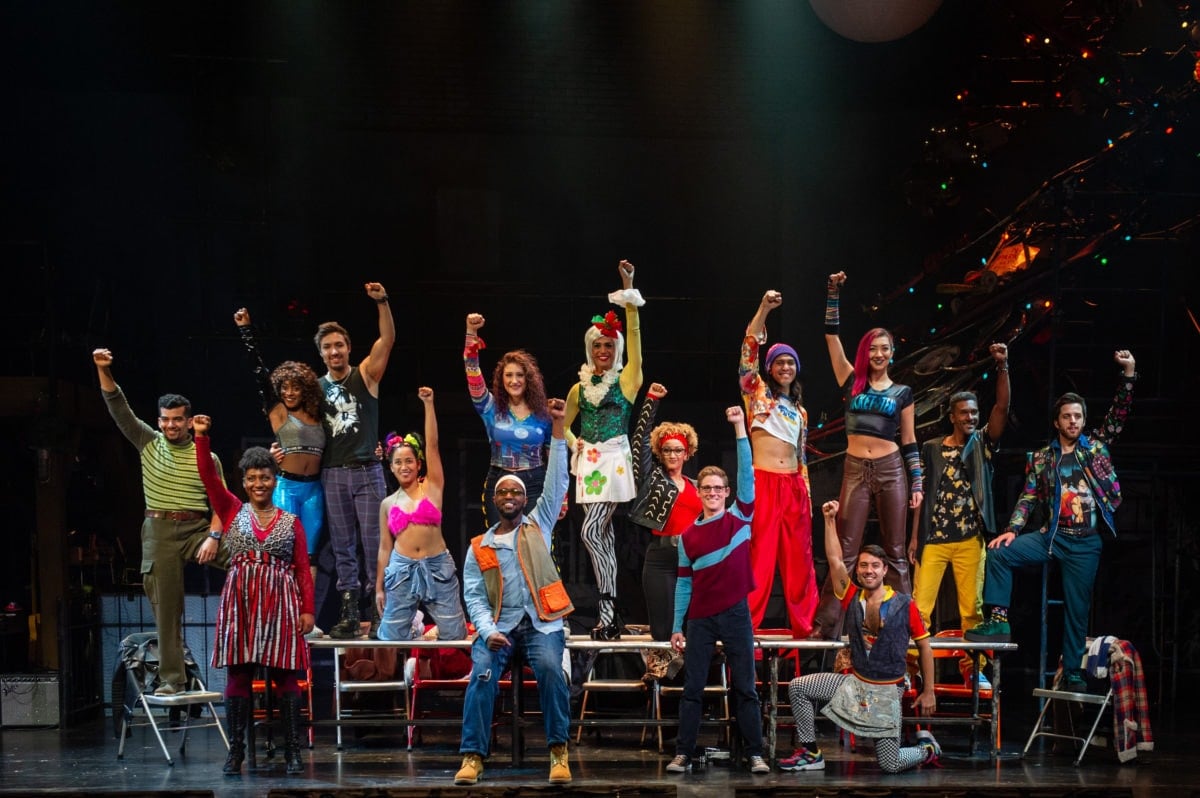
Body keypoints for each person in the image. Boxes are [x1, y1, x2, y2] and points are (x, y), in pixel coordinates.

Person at [966, 350, 1137, 693]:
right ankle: (999, 621)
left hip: (1085, 542)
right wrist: (1013, 530)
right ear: (1057, 422)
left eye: (1078, 416)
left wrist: (1129, 374)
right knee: (999, 553)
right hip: (1053, 537)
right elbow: (1028, 496)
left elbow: (1118, 414)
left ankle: (1073, 670)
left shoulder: (1095, 448)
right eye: (1067, 417)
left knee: (1077, 608)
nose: (1073, 421)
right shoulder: (1043, 458)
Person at [454, 396, 574, 787]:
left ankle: (559, 752)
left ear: (525, 499)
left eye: (516, 493)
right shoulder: (480, 546)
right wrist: (487, 630)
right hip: (500, 628)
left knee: (552, 671)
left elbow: (556, 481)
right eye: (503, 492)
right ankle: (473, 756)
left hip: (541, 624)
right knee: (481, 675)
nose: (509, 497)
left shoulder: (539, 524)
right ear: (494, 499)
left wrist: (558, 428)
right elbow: (474, 597)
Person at [92, 348, 226, 697]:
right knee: (166, 610)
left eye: (177, 419)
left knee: (248, 556)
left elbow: (222, 504)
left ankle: (285, 620)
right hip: (159, 531)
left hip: (197, 529)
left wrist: (213, 536)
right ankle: (172, 679)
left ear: (189, 420)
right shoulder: (148, 442)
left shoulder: (206, 455)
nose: (170, 425)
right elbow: (119, 409)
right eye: (165, 419)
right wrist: (104, 369)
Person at [191, 415, 315, 775]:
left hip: (281, 602)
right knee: (239, 676)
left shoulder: (291, 522)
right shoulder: (231, 509)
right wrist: (201, 437)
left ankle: (293, 752)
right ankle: (236, 752)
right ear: (244, 482)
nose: (258, 483)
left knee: (286, 677)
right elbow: (208, 477)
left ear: (274, 480)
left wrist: (307, 610)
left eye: (265, 477)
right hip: (241, 602)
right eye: (252, 478)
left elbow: (302, 569)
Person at [779, 500, 940, 774]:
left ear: (885, 570)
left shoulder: (905, 605)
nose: (868, 570)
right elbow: (835, 560)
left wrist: (929, 691)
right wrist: (829, 520)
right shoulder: (852, 596)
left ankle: (927, 749)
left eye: (875, 565)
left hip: (886, 691)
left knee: (890, 764)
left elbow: (925, 647)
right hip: (854, 684)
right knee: (799, 687)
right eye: (864, 565)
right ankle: (811, 752)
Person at [813, 270, 922, 638]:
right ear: (866, 352)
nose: (879, 354)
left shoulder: (903, 392)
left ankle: (904, 624)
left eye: (885, 348)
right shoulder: (851, 381)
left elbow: (909, 440)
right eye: (873, 348)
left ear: (892, 353)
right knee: (846, 550)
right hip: (856, 468)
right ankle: (827, 625)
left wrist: (917, 482)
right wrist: (833, 293)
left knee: (895, 551)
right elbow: (831, 336)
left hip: (891, 469)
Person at [665, 405, 771, 775]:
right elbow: (683, 583)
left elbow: (747, 473)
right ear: (699, 492)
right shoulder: (687, 537)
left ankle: (755, 753)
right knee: (693, 688)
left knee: (745, 688)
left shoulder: (740, 518)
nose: (712, 492)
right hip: (701, 619)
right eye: (706, 488)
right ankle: (683, 753)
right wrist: (676, 626)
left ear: (727, 492)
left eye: (718, 488)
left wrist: (740, 427)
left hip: (736, 613)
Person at [908, 343, 1010, 689]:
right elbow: (920, 495)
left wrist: (1002, 367)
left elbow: (1002, 406)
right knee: (920, 608)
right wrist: (914, 537)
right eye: (964, 413)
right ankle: (911, 668)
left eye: (974, 412)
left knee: (972, 611)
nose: (970, 417)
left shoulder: (982, 443)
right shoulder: (932, 448)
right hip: (934, 539)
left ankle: (972, 668)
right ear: (952, 416)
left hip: (969, 539)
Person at [563, 259, 644, 640]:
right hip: (589, 463)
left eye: (609, 345)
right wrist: (572, 440)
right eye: (597, 345)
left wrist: (628, 291)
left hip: (614, 460)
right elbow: (565, 425)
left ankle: (608, 607)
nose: (603, 350)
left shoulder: (627, 381)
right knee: (603, 538)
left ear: (617, 348)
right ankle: (609, 617)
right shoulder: (579, 388)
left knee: (591, 532)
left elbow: (637, 348)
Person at [317, 282, 395, 640]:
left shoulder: (364, 375)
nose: (334, 351)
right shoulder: (315, 387)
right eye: (327, 347)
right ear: (321, 353)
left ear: (348, 348)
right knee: (342, 545)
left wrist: (382, 302)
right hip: (333, 473)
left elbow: (387, 340)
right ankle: (349, 612)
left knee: (376, 542)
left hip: (368, 471)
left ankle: (379, 609)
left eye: (339, 345)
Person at [739, 289, 819, 637]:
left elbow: (802, 458)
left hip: (794, 485)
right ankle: (747, 626)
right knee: (759, 557)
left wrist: (807, 496)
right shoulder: (756, 392)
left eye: (791, 363)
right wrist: (764, 308)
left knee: (800, 560)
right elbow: (748, 350)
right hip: (764, 482)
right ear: (770, 368)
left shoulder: (800, 411)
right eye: (779, 362)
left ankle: (805, 627)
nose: (785, 367)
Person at [234, 308, 326, 582]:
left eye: (295, 387)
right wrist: (246, 331)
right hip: (288, 487)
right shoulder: (278, 413)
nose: (289, 392)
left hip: (315, 489)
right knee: (285, 550)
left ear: (305, 389)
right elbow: (259, 374)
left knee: (310, 554)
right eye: (284, 387)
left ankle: (306, 606)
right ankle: (283, 602)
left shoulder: (318, 414)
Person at [374, 387, 468, 642]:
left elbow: (433, 446)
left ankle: (429, 628)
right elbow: (385, 547)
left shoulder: (432, 488)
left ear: (418, 464)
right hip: (402, 569)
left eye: (409, 461)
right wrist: (379, 587)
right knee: (390, 637)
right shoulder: (387, 504)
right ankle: (415, 625)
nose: (404, 466)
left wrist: (428, 405)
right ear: (391, 467)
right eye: (398, 462)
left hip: (436, 566)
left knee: (455, 634)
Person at [627, 382, 700, 677]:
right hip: (660, 558)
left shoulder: (698, 486)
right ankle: (662, 684)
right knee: (662, 627)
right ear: (660, 452)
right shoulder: (653, 479)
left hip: (693, 559)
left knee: (694, 624)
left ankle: (690, 682)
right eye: (667, 450)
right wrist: (651, 401)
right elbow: (639, 442)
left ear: (687, 453)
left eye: (677, 450)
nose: (672, 455)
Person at [463, 313, 552, 526]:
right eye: (509, 375)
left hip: (535, 483)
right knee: (500, 540)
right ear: (501, 379)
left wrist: (562, 496)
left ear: (528, 379)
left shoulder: (544, 413)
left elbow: (554, 458)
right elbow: (472, 372)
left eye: (520, 375)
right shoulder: (490, 407)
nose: (514, 380)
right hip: (499, 480)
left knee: (533, 541)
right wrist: (471, 332)